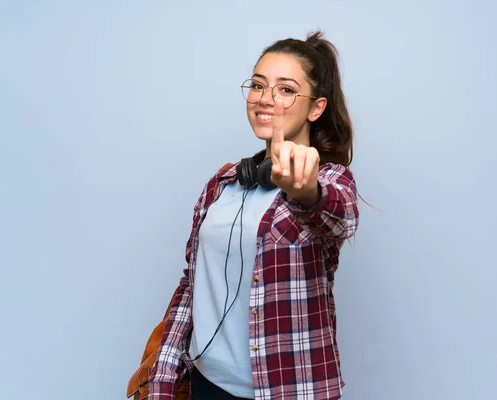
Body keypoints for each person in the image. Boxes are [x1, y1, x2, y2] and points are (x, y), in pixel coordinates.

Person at [147, 31, 359, 400]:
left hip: (290, 389)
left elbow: (338, 218)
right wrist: (162, 379)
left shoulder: (329, 181)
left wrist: (305, 191)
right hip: (206, 384)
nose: (266, 99)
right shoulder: (223, 184)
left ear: (316, 108)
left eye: (286, 89)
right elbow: (192, 285)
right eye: (259, 85)